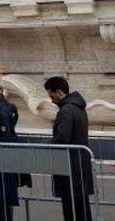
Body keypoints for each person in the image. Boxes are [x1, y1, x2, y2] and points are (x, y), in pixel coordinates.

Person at [46, 76, 93, 221]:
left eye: (52, 95)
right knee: (82, 207)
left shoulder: (66, 111)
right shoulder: (78, 108)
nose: (51, 100)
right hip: (79, 165)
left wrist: (47, 145)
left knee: (70, 209)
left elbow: (62, 138)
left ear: (59, 92)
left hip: (69, 167)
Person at [0, 82, 25, 221]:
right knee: (5, 197)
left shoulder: (0, 109)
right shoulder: (8, 107)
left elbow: (4, 134)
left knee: (1, 197)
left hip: (1, 157)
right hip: (7, 156)